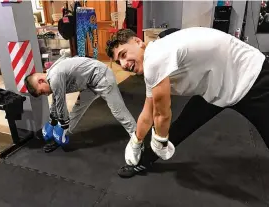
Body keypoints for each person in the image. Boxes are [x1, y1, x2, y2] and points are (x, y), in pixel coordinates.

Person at [105, 27, 268, 178]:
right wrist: (135, 141)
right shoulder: (154, 58)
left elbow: (162, 114)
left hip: (252, 79)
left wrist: (160, 140)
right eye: (119, 63)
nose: (124, 64)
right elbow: (148, 113)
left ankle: (148, 156)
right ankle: (143, 160)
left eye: (124, 54)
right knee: (183, 125)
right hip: (216, 87)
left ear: (138, 42)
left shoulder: (155, 58)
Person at [24, 49, 136, 153]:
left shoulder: (55, 77)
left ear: (40, 81)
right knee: (76, 110)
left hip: (102, 77)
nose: (46, 94)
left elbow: (60, 104)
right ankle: (62, 137)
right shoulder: (51, 75)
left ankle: (138, 140)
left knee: (118, 111)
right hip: (88, 84)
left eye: (42, 92)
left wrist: (60, 125)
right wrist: (52, 120)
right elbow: (55, 100)